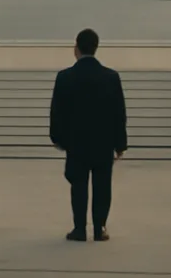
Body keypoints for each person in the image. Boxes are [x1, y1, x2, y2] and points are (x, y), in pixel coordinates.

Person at [49, 28, 127, 242]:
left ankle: (79, 228)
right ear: (96, 47)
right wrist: (120, 144)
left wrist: (58, 139)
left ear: (76, 48)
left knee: (78, 186)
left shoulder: (65, 77)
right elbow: (119, 113)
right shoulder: (111, 77)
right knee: (102, 186)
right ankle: (100, 228)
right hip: (103, 143)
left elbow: (57, 111)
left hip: (77, 144)